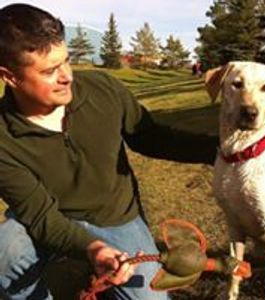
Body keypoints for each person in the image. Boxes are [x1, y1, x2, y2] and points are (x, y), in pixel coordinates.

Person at [0, 4, 218, 300]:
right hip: (48, 219)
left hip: (116, 218)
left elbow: (150, 137)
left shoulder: (103, 89)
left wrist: (219, 149)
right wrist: (92, 248)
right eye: (50, 71)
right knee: (5, 252)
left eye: (66, 61)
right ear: (10, 77)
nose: (66, 77)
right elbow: (39, 216)